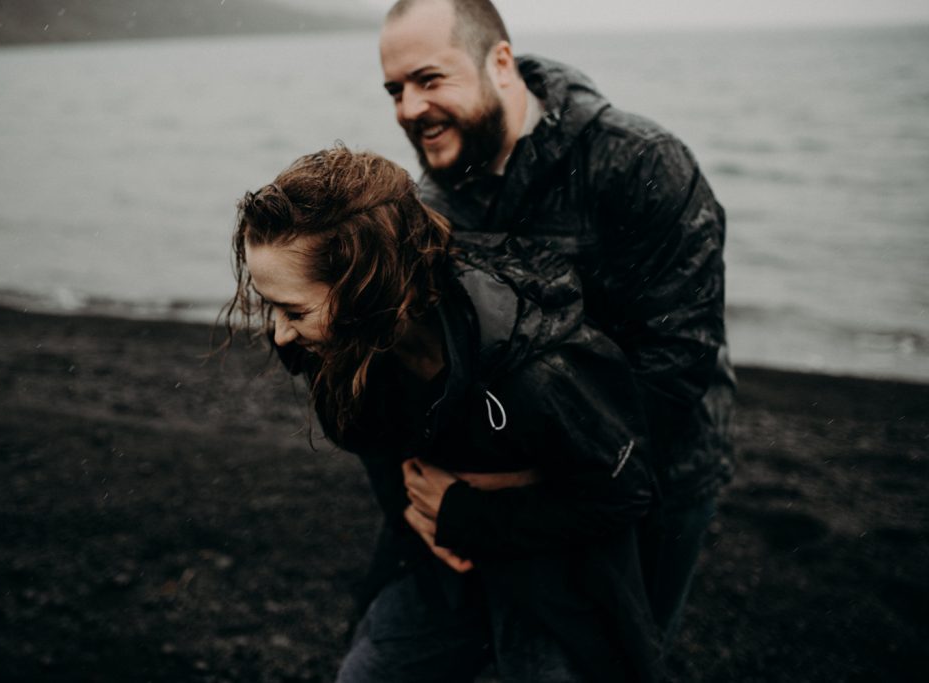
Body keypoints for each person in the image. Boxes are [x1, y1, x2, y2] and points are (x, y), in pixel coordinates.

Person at [223, 146, 663, 681]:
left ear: (375, 289)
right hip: (435, 563)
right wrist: (420, 515)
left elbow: (627, 491)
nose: (279, 333)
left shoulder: (536, 374)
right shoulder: (338, 343)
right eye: (271, 306)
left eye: (295, 311)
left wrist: (464, 518)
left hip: (555, 576)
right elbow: (377, 446)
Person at [378, 0, 736, 645]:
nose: (407, 108)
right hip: (496, 488)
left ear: (502, 63)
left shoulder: (641, 164)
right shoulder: (431, 202)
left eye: (429, 79)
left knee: (617, 657)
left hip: (656, 479)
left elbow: (676, 364)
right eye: (395, 90)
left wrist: (512, 498)